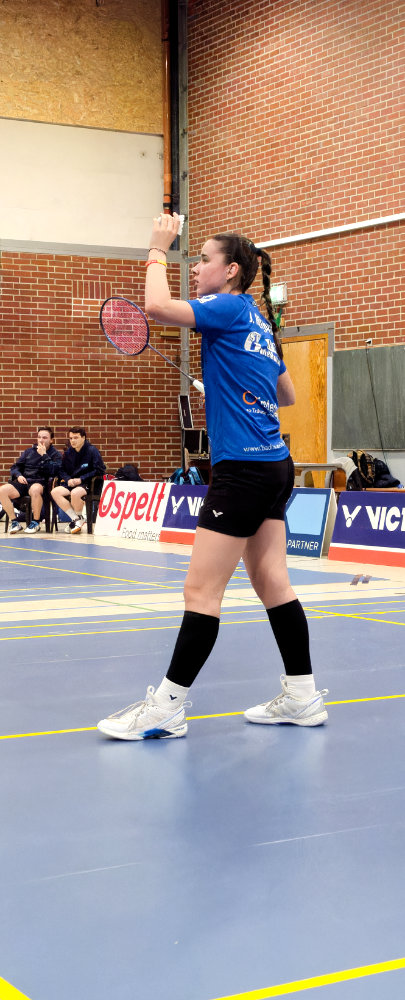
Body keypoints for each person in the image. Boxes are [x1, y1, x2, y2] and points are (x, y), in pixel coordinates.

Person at [97, 213, 328, 740]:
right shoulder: (259, 323)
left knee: (201, 590)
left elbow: (157, 307)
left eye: (203, 260)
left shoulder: (225, 307)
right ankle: (302, 695)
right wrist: (229, 383)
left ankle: (167, 707)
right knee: (272, 581)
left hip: (242, 470)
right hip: (275, 465)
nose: (196, 268)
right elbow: (287, 395)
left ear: (230, 272)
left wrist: (157, 248)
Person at [0, 426, 62, 534]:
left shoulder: (56, 454)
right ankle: (15, 522)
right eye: (39, 437)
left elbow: (55, 470)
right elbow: (15, 467)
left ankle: (36, 522)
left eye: (44, 437)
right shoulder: (29, 451)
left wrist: (44, 455)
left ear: (51, 440)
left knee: (35, 489)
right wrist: (18, 475)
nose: (41, 440)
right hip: (24, 482)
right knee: (2, 490)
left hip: (41, 483)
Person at [51, 427, 105, 534]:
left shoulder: (92, 451)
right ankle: (76, 519)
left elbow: (99, 470)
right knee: (55, 492)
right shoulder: (68, 453)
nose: (73, 441)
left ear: (83, 438)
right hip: (73, 483)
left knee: (75, 493)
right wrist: (68, 479)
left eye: (76, 438)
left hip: (88, 482)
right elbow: (61, 470)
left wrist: (81, 479)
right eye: (71, 438)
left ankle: (78, 519)